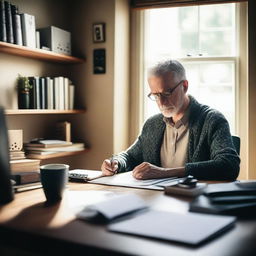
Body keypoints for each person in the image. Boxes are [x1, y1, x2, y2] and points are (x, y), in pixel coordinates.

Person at [101, 59, 240, 180]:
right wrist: (116, 162)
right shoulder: (152, 124)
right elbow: (130, 157)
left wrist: (164, 173)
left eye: (166, 93)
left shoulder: (212, 120)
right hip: (156, 200)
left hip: (197, 203)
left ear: (184, 86)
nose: (161, 102)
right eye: (155, 95)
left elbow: (229, 165)